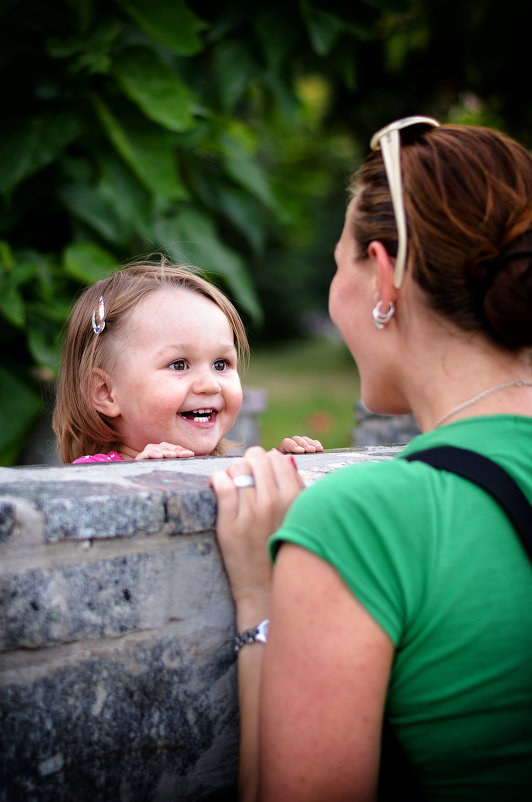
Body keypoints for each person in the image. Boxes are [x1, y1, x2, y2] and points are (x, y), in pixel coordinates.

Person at [210, 118, 532, 801]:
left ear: (383, 276)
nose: (335, 291)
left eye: (337, 265)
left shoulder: (367, 520)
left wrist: (262, 605)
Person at [52, 258, 323, 463]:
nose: (210, 385)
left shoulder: (221, 468)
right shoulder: (89, 480)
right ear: (105, 392)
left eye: (221, 364)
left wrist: (280, 471)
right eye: (179, 365)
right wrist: (139, 481)